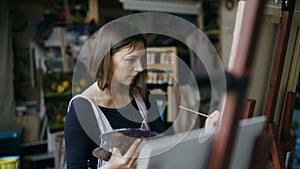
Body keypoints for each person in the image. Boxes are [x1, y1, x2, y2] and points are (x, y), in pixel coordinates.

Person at [64, 21, 167, 169]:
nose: (140, 67)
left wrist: (207, 133)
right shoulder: (82, 108)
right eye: (131, 60)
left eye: (142, 59)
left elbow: (166, 147)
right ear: (106, 58)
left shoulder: (144, 99)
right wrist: (112, 167)